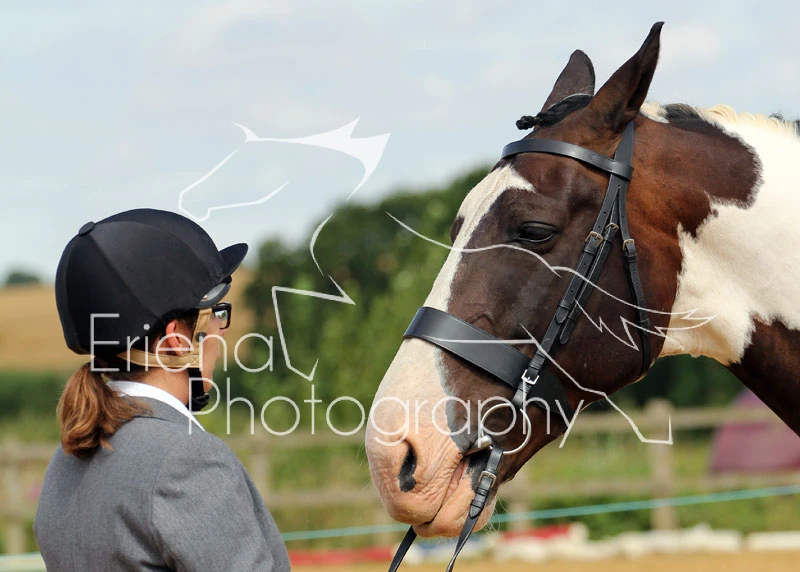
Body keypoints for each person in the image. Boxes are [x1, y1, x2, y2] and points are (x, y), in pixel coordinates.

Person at [34, 208, 291, 571]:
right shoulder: (187, 460)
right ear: (176, 340)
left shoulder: (64, 461)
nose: (221, 330)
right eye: (215, 315)